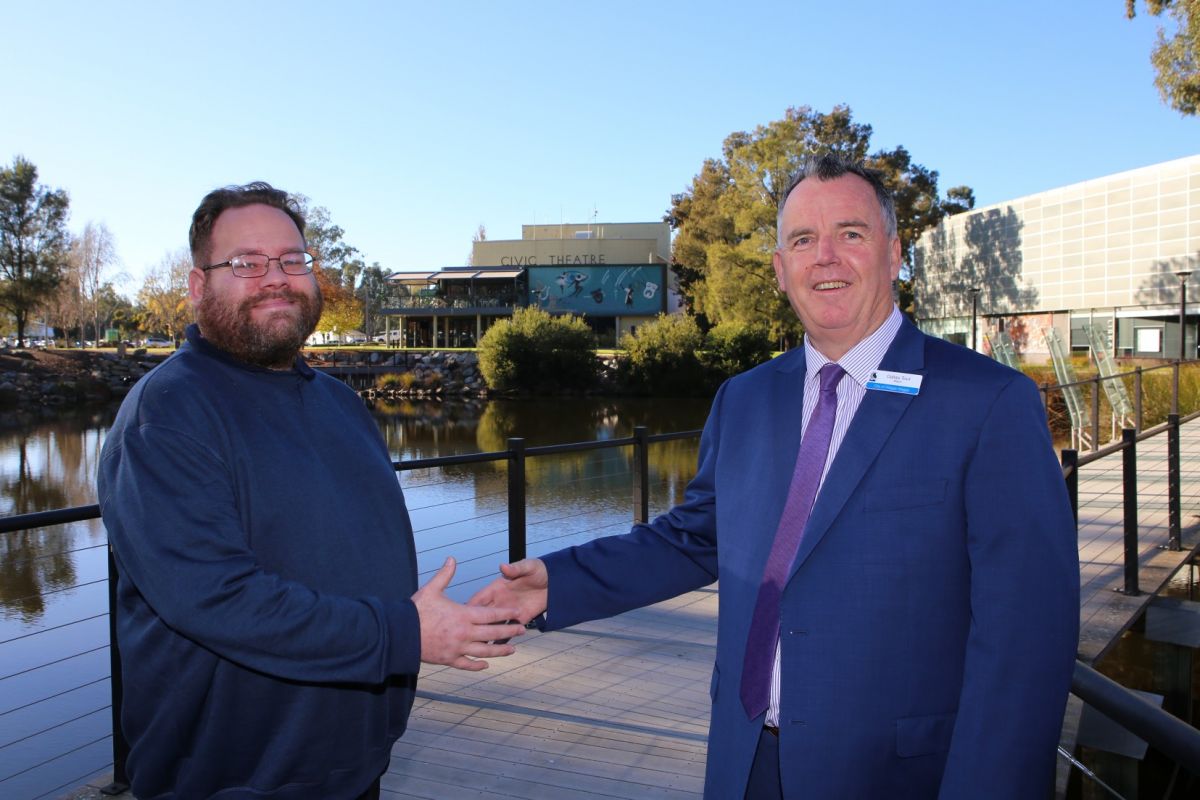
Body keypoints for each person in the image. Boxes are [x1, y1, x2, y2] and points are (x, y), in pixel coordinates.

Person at [471, 155, 1080, 798]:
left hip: (900, 774)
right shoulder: (746, 399)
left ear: (894, 253)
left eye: (850, 233)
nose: (825, 257)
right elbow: (697, 537)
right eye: (802, 240)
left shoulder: (987, 402)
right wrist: (558, 583)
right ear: (780, 271)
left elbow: (1026, 640)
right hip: (747, 764)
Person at [97, 182, 523, 800]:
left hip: (354, 766)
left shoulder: (342, 406)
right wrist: (404, 633)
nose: (277, 278)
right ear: (197, 286)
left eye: (293, 261)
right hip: (231, 779)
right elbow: (218, 600)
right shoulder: (166, 417)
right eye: (246, 263)